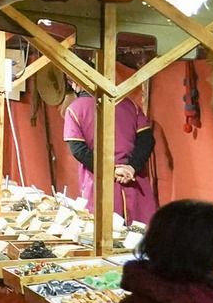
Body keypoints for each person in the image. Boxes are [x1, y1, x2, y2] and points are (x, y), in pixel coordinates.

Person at [65, 87, 160, 226]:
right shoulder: (130, 105)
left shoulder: (74, 109)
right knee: (139, 233)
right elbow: (146, 140)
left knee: (105, 232)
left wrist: (114, 170)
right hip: (132, 177)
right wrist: (131, 167)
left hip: (100, 183)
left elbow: (78, 150)